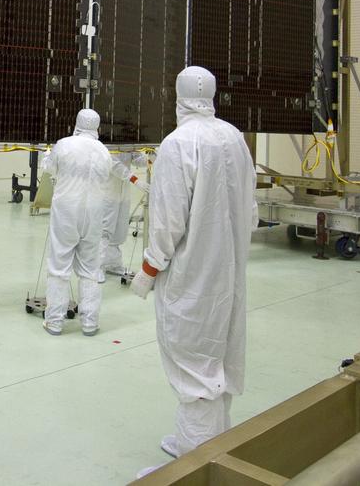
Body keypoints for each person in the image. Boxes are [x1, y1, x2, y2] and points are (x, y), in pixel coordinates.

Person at [131, 66, 257, 464]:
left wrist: (149, 269)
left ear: (177, 95)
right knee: (220, 355)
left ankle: (196, 460)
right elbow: (250, 208)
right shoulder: (234, 137)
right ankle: (209, 440)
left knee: (193, 363)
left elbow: (168, 220)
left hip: (191, 274)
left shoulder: (178, 143)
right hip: (230, 271)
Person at [41, 108, 113, 336]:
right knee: (90, 270)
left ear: (77, 123)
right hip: (93, 214)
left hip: (66, 213)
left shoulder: (64, 144)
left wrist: (46, 155)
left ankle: (54, 322)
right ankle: (90, 324)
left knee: (59, 267)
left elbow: (49, 168)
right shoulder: (104, 152)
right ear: (97, 127)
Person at [101, 151, 148, 277]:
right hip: (108, 190)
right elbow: (114, 165)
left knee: (119, 230)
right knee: (104, 230)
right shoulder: (106, 139)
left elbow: (136, 158)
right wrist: (135, 180)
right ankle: (97, 268)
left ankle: (113, 264)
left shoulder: (128, 137)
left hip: (123, 192)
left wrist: (150, 158)